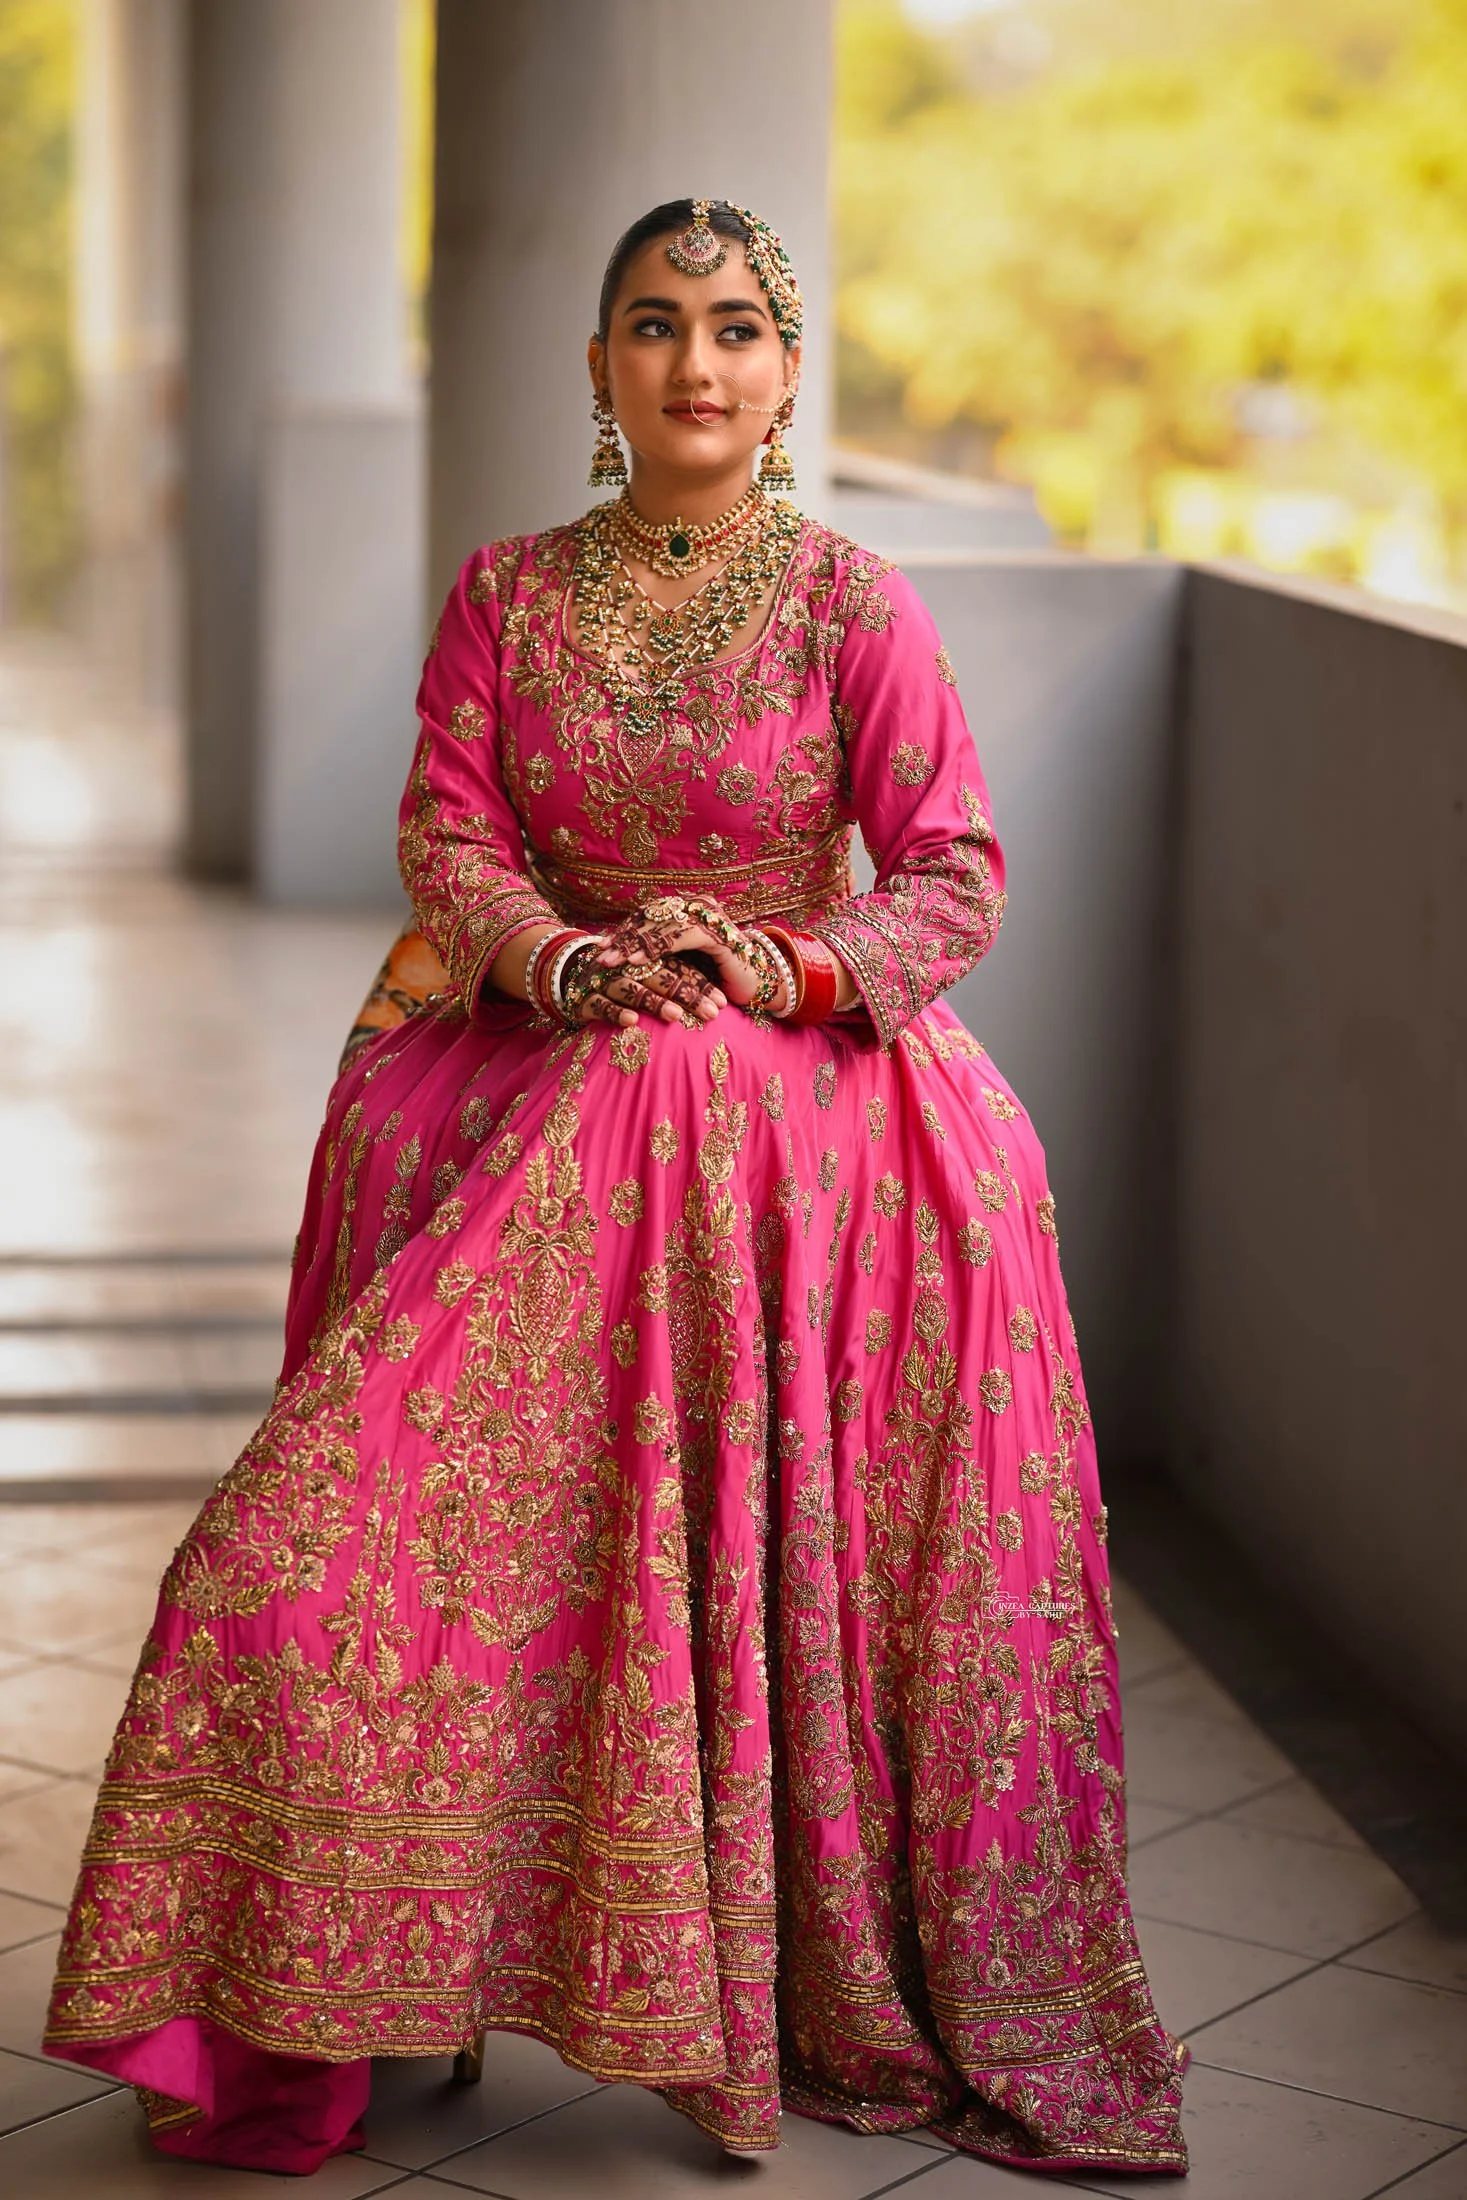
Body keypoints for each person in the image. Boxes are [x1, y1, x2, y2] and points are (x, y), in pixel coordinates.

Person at [43, 199, 1187, 2177]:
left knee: (683, 1080)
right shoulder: (501, 593)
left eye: (735, 327)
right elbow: (451, 835)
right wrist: (572, 962)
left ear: (788, 372)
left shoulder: (852, 604)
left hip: (800, 1080)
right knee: (282, 1564)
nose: (696, 363)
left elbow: (950, 872)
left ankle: (717, 1950)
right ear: (593, 372)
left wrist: (777, 965)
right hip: (551, 1044)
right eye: (652, 326)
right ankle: (352, 1959)